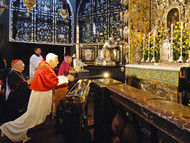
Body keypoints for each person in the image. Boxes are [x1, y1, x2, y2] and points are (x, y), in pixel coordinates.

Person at [0, 53, 74, 143]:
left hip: (42, 95)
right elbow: (52, 82)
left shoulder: (46, 67)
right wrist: (66, 78)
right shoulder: (43, 69)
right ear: (51, 61)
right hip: (39, 98)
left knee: (36, 119)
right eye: (56, 60)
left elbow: (53, 79)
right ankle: (7, 128)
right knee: (31, 118)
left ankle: (12, 129)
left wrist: (64, 77)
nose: (58, 62)